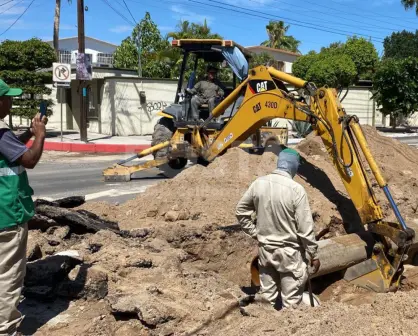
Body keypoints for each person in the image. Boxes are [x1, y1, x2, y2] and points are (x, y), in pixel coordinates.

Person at [235, 148, 320, 309]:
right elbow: (305, 228)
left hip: (266, 252)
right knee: (291, 303)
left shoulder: (258, 184)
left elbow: (241, 211)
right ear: (294, 166)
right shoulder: (296, 190)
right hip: (290, 255)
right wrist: (313, 254)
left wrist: (256, 234)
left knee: (267, 298)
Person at [0, 79, 47, 336]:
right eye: (7, 98)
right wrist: (40, 135)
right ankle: (5, 330)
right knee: (7, 278)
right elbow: (28, 159)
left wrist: (28, 134)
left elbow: (9, 149)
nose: (10, 102)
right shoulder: (1, 135)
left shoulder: (4, 138)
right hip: (7, 218)